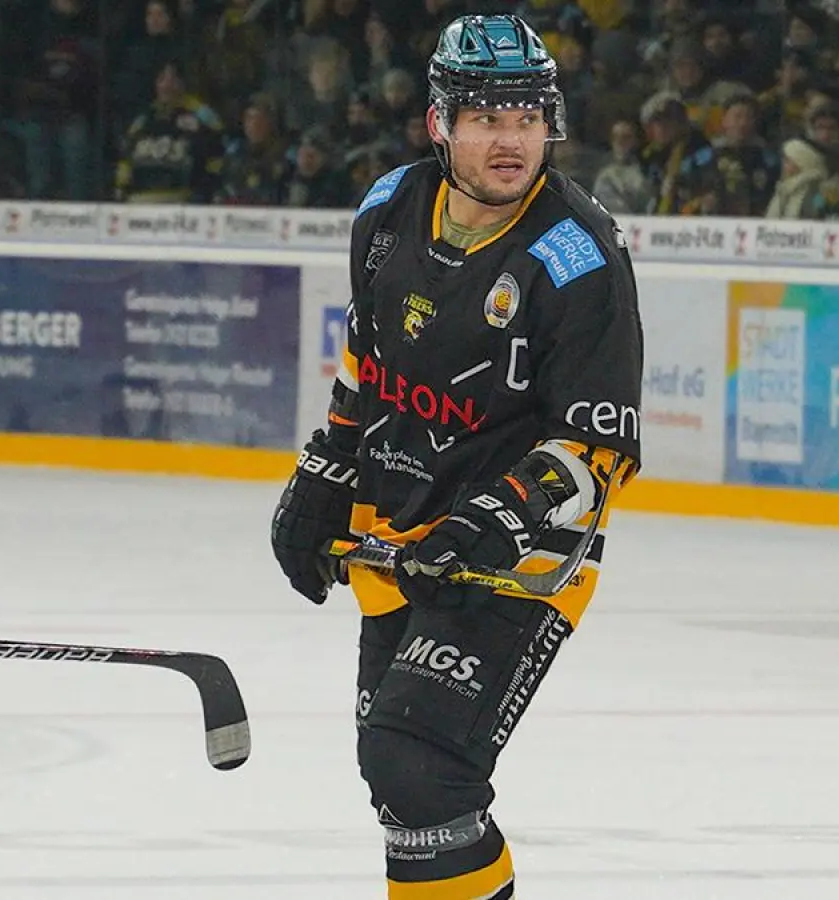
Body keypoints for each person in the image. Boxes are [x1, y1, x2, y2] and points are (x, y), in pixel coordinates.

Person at [270, 14, 643, 898]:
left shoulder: (579, 252)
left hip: (521, 553)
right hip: (398, 533)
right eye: (486, 117)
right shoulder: (388, 209)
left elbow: (599, 448)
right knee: (400, 786)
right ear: (440, 123)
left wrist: (491, 519)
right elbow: (369, 366)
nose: (511, 140)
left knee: (418, 765)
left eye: (527, 117)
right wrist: (325, 472)